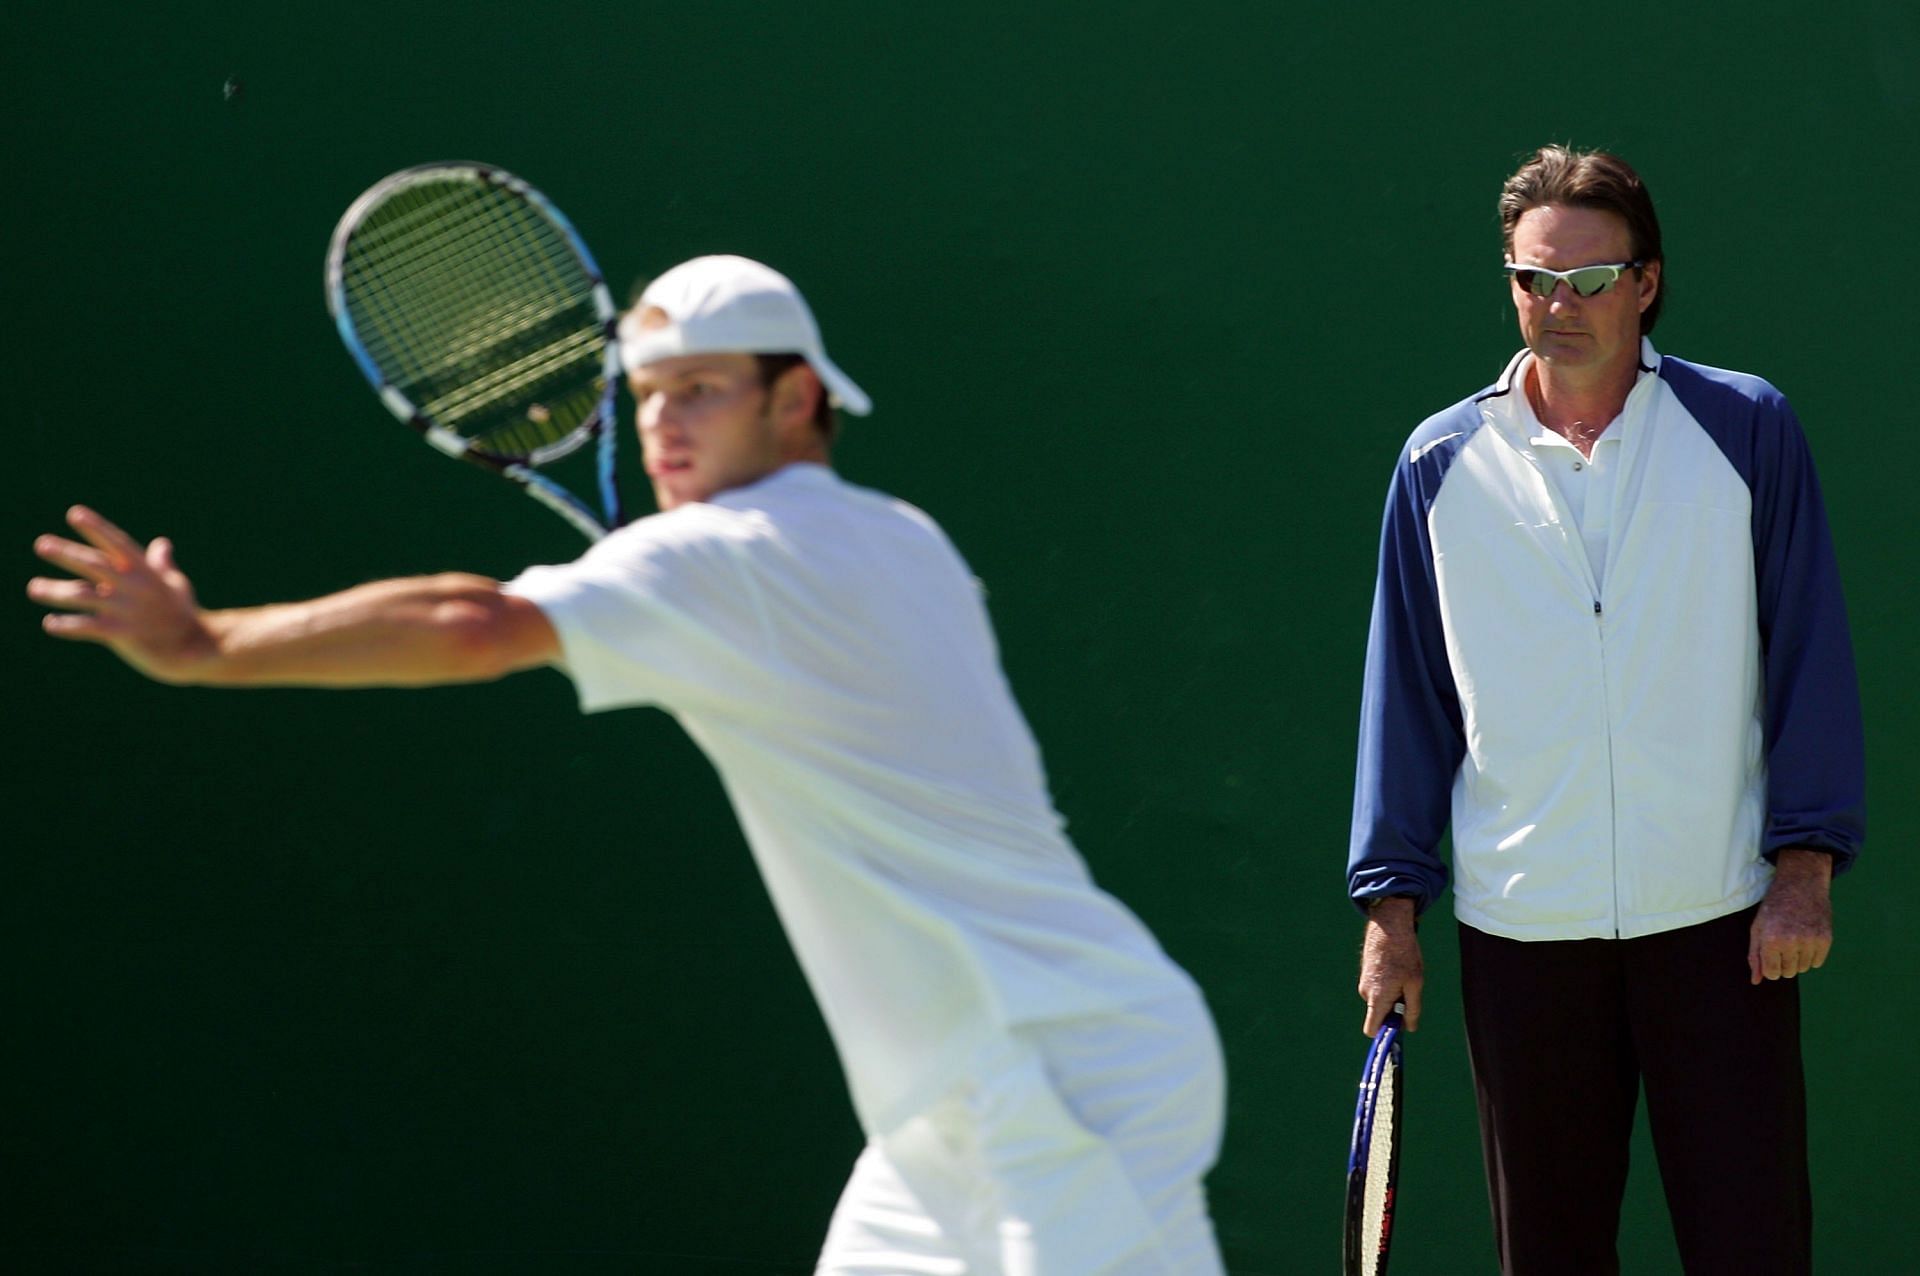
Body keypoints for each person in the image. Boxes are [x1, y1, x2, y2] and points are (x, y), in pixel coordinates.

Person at [28, 255, 1227, 1274]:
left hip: (1056, 1075)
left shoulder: (738, 557)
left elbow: (469, 622)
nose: (660, 422)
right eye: (645, 395)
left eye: (699, 390)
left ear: (797, 397)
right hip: (962, 1105)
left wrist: (205, 644)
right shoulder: (898, 538)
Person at [1346, 147, 1864, 1276]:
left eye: (1589, 278)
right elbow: (1408, 696)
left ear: (1647, 283)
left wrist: (1804, 867)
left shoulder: (1747, 430)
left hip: (1722, 928)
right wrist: (1391, 908)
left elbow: (1809, 656)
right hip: (1523, 935)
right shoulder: (1437, 466)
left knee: (1754, 1251)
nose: (1558, 306)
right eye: (1534, 280)